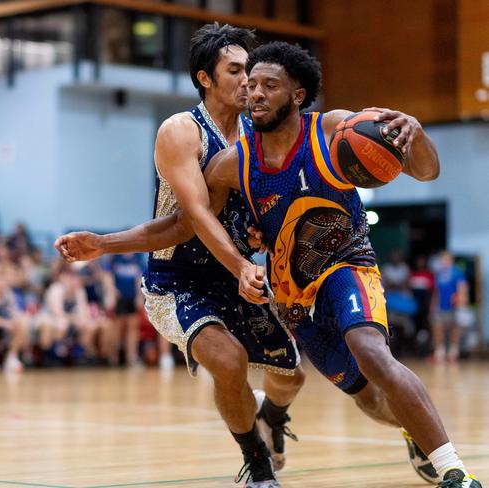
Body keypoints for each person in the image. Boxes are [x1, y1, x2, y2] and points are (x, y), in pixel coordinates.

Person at [169, 42, 478, 488]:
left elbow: (426, 172)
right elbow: (191, 222)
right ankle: (415, 432)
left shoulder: (335, 129)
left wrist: (416, 132)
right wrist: (108, 242)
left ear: (297, 95)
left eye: (269, 85)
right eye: (250, 84)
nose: (255, 93)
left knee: (372, 352)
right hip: (294, 297)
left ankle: (454, 470)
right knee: (369, 399)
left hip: (347, 263)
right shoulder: (232, 162)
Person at [56, 24, 304, 488]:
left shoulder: (257, 130)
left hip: (237, 273)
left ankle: (271, 416)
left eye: (251, 70)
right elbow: (190, 221)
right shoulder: (181, 131)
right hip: (180, 278)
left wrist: (261, 235)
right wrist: (105, 245)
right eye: (235, 70)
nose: (248, 80)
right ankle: (258, 465)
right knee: (228, 362)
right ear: (205, 78)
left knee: (290, 377)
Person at [108, 253, 144, 367]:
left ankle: (131, 357)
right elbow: (107, 275)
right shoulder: (115, 256)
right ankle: (114, 357)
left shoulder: (138, 257)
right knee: (117, 327)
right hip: (119, 297)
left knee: (133, 327)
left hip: (132, 296)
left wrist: (139, 296)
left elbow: (140, 278)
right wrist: (112, 291)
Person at [432, 251, 468, 364]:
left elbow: (462, 287)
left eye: (445, 259)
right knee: (437, 327)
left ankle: (453, 353)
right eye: (442, 259)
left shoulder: (457, 272)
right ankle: (440, 352)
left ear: (450, 259)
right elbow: (437, 291)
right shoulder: (440, 273)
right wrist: (433, 305)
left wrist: (461, 299)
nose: (443, 261)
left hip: (453, 306)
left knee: (454, 329)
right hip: (441, 306)